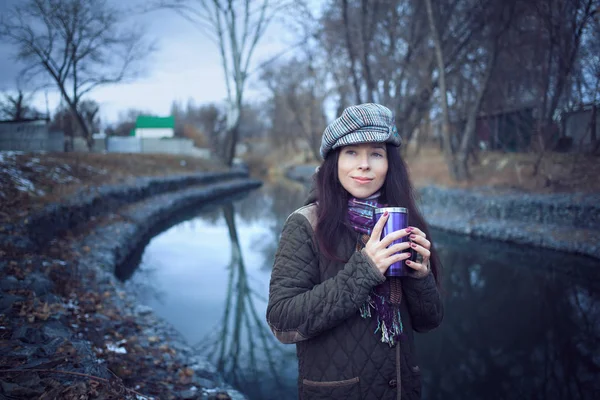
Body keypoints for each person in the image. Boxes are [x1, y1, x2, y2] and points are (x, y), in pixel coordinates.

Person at [266, 103, 443, 400]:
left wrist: (421, 277)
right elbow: (282, 321)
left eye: (376, 153)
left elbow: (429, 321)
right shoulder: (305, 224)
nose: (364, 165)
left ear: (390, 164)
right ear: (334, 162)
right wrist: (365, 270)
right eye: (352, 153)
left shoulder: (402, 221)